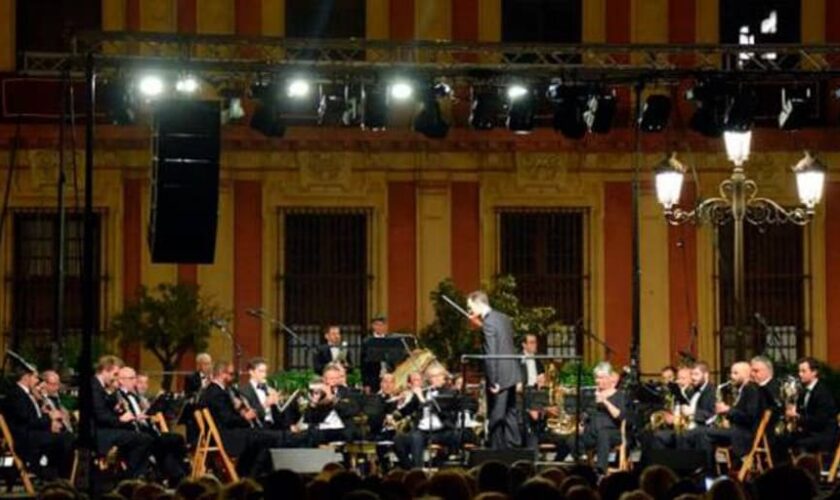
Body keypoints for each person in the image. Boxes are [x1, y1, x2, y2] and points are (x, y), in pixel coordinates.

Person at [200, 360, 284, 476]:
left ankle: (248, 474)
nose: (233, 377)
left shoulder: (218, 391)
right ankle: (252, 475)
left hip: (228, 433)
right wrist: (245, 417)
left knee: (263, 437)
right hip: (226, 437)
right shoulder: (215, 393)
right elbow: (227, 420)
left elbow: (227, 416)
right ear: (221, 374)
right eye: (231, 374)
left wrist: (240, 410)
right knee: (264, 438)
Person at [467, 290, 522, 449]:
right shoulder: (502, 318)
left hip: (500, 376)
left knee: (496, 415)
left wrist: (494, 381)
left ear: (479, 304)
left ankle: (495, 450)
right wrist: (481, 326)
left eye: (471, 307)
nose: (470, 311)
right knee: (510, 413)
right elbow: (504, 343)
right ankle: (514, 447)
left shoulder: (489, 323)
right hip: (511, 372)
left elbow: (491, 354)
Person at [3, 360, 74, 480]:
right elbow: (26, 420)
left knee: (66, 436)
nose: (38, 381)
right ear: (26, 377)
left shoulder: (26, 394)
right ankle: (60, 477)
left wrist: (49, 423)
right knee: (65, 439)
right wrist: (49, 419)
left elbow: (32, 419)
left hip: (33, 433)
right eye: (35, 377)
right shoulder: (16, 394)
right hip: (24, 438)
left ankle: (55, 474)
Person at [117, 366, 187, 485]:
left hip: (145, 430)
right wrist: (138, 417)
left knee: (175, 439)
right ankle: (176, 475)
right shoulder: (119, 396)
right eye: (132, 378)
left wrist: (145, 414)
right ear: (121, 380)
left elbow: (138, 414)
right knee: (164, 443)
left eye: (135, 378)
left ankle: (175, 473)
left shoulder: (133, 396)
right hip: (136, 433)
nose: (134, 382)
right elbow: (124, 417)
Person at [91, 355, 154, 479]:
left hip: (106, 429)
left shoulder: (99, 387)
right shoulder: (93, 386)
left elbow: (103, 410)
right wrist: (120, 419)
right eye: (115, 374)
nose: (116, 379)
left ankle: (134, 475)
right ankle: (129, 476)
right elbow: (100, 415)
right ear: (105, 370)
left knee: (141, 436)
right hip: (97, 433)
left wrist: (116, 410)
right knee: (143, 439)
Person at [393, 364, 462, 469]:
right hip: (422, 431)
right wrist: (395, 413)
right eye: (432, 376)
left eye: (438, 376)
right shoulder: (424, 392)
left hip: (441, 432)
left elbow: (435, 408)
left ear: (444, 378)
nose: (435, 379)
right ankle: (409, 467)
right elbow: (406, 410)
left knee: (416, 437)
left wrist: (420, 397)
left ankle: (417, 470)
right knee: (398, 439)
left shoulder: (450, 393)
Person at [570, 362, 627, 473]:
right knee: (573, 438)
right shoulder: (591, 394)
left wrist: (605, 401)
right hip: (592, 431)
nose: (597, 381)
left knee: (603, 434)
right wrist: (581, 424)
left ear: (610, 378)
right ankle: (583, 465)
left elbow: (620, 415)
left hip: (612, 433)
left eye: (601, 378)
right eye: (596, 378)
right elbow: (585, 413)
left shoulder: (619, 395)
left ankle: (601, 470)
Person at [703, 361, 761, 468]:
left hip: (744, 435)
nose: (731, 376)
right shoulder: (744, 389)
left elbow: (749, 417)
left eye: (735, 373)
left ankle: (709, 468)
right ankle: (718, 465)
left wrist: (728, 410)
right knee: (704, 432)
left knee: (705, 433)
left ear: (746, 374)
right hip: (738, 431)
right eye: (731, 373)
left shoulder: (751, 389)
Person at [782, 357, 838, 454]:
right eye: (799, 371)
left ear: (814, 372)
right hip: (810, 431)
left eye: (803, 371)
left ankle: (806, 467)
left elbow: (821, 421)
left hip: (823, 434)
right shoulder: (803, 391)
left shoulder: (822, 393)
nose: (800, 374)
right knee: (781, 439)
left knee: (799, 443)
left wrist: (797, 416)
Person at [305, 363, 361, 445]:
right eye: (329, 378)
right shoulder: (318, 393)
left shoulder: (349, 393)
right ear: (324, 379)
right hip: (321, 430)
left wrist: (333, 400)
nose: (332, 381)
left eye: (335, 378)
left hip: (342, 429)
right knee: (305, 436)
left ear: (339, 379)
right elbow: (309, 419)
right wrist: (314, 403)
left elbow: (352, 411)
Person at [677, 361, 716, 450]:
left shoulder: (711, 391)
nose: (693, 378)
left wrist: (692, 412)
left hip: (703, 428)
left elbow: (711, 414)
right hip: (690, 426)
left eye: (696, 374)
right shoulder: (694, 390)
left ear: (706, 375)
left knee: (682, 436)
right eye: (692, 374)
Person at [360, 316, 393, 394]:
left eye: (382, 325)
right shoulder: (367, 342)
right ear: (373, 326)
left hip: (390, 376)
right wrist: (366, 384)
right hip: (373, 378)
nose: (380, 327)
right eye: (377, 325)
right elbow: (364, 365)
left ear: (386, 326)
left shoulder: (391, 340)